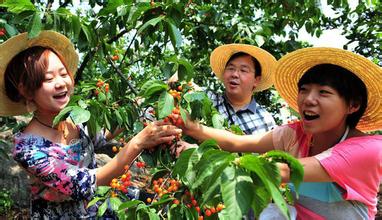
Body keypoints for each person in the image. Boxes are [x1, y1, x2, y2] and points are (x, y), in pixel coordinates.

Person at [180, 47, 382, 219]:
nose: (308, 99)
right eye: (304, 89)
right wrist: (188, 125)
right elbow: (237, 142)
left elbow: (281, 172)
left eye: (324, 92)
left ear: (353, 105)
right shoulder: (297, 134)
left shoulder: (369, 150)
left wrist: (201, 157)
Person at [0, 31, 181, 218]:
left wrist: (149, 99)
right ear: (26, 90)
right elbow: (83, 184)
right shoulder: (27, 149)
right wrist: (139, 142)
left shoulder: (73, 118)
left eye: (63, 74)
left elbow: (101, 136)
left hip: (100, 205)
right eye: (48, 79)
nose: (61, 83)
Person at [207, 44, 277, 135]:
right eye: (231, 68)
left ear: (256, 80)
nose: (235, 74)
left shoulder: (266, 121)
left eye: (243, 70)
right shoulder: (207, 99)